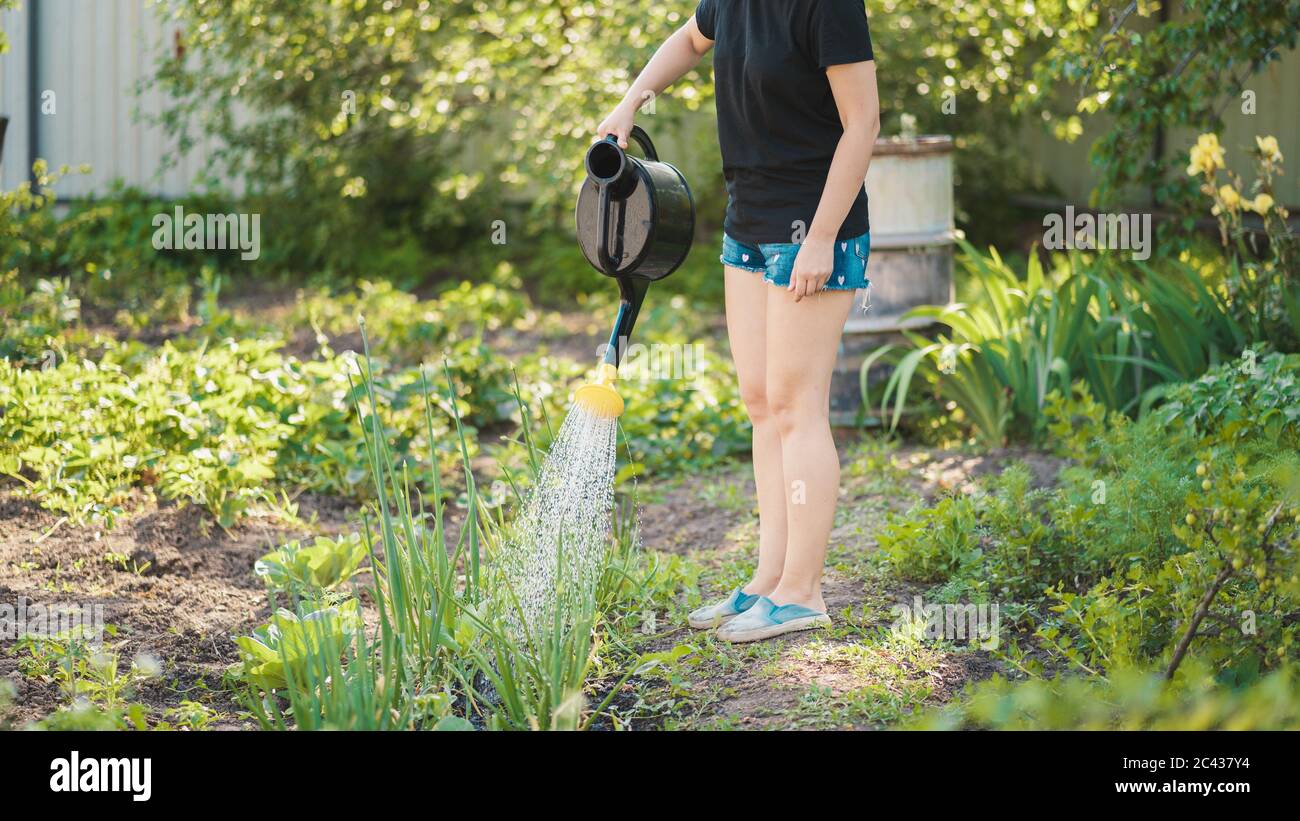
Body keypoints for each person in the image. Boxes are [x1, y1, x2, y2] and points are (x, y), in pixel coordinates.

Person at [596, 1, 880, 642]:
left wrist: (823, 237)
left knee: (795, 405)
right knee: (760, 403)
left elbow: (862, 125)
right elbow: (690, 40)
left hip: (815, 228)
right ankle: (768, 579)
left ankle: (803, 593)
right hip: (748, 220)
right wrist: (632, 100)